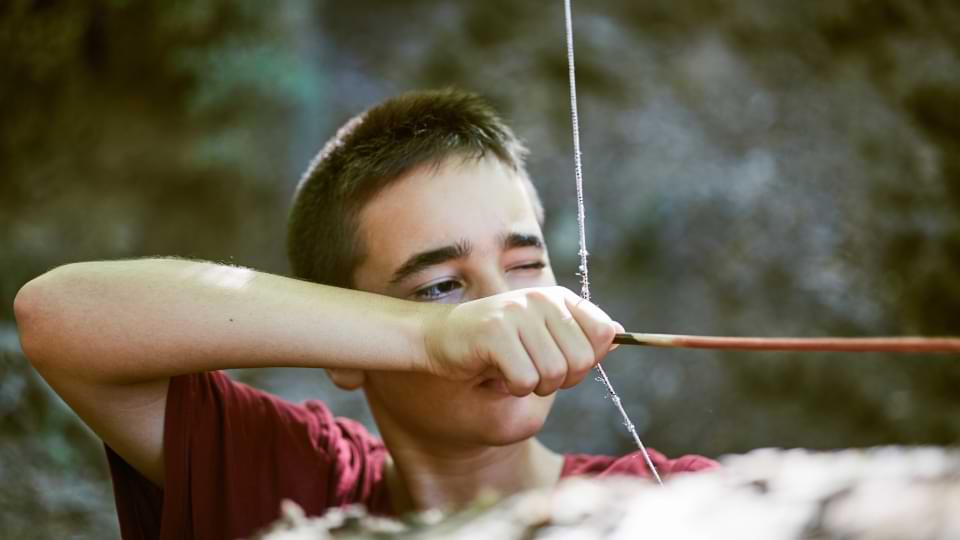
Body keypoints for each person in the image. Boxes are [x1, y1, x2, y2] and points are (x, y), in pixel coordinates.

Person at [13, 89, 716, 540]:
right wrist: (435, 337)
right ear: (348, 342)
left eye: (526, 265)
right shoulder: (300, 483)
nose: (504, 309)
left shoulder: (673, 502)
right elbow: (56, 315)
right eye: (441, 284)